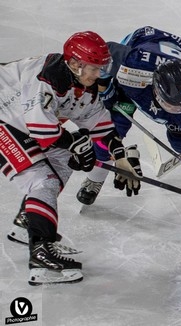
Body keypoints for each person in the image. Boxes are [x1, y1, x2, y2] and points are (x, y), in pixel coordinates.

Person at [0, 31, 143, 285]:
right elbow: (42, 131)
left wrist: (119, 156)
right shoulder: (49, 77)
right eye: (95, 68)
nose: (100, 74)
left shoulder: (82, 84)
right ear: (76, 63)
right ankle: (41, 254)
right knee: (43, 180)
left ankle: (29, 221)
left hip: (16, 118)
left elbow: (100, 126)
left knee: (65, 158)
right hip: (5, 115)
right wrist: (74, 142)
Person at [76, 26, 181, 205]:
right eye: (171, 106)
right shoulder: (132, 69)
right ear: (156, 91)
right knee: (110, 130)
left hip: (177, 54)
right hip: (142, 48)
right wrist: (105, 89)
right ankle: (96, 178)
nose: (176, 111)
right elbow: (104, 55)